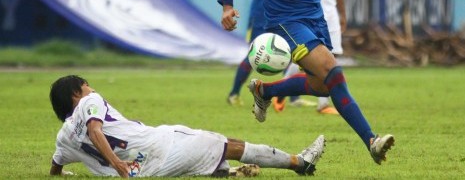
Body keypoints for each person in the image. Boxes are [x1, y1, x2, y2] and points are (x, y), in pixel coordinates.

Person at [218, 0, 417, 165]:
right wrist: (228, 5)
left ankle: (265, 91)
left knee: (322, 85)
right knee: (333, 73)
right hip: (286, 23)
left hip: (316, 19)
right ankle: (372, 140)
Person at [49, 75, 325, 177]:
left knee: (212, 160)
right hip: (160, 146)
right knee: (230, 145)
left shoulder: (63, 138)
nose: (91, 87)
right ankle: (300, 163)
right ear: (76, 93)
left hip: (142, 171)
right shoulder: (88, 102)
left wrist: (65, 174)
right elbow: (96, 131)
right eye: (85, 84)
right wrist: (118, 165)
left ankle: (233, 174)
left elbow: (56, 166)